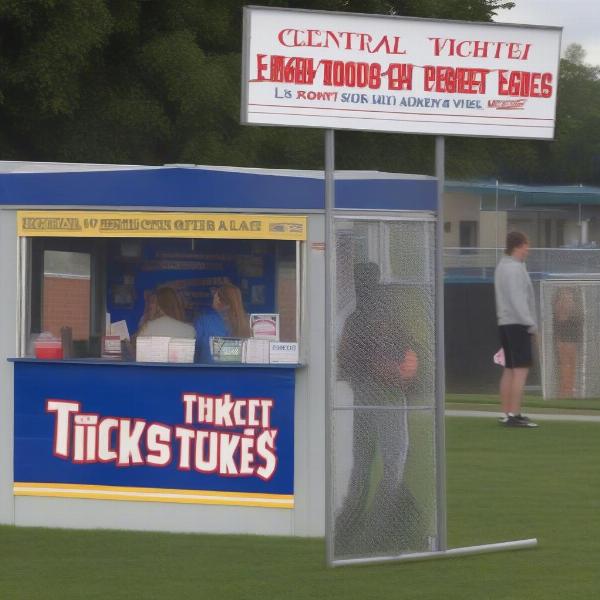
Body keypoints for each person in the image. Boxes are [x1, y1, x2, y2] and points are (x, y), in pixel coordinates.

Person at [335, 262, 422, 556]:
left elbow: (346, 361)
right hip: (384, 398)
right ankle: (375, 532)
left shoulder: (358, 318)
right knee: (391, 464)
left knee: (364, 466)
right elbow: (403, 359)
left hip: (367, 398)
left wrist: (390, 371)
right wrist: (395, 374)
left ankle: (359, 530)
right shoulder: (380, 316)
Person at [494, 231, 538, 428]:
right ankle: (513, 413)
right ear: (519, 246)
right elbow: (518, 300)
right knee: (520, 370)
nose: (528, 249)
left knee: (510, 369)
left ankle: (507, 413)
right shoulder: (512, 269)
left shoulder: (504, 266)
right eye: (526, 245)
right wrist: (531, 324)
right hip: (517, 323)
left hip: (506, 323)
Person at [194, 283, 251, 363]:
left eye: (214, 297)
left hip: (208, 371)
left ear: (217, 299)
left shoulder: (204, 321)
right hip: (237, 372)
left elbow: (194, 348)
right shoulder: (247, 322)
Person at [553, 286, 583, 397]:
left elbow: (578, 320)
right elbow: (561, 319)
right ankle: (565, 388)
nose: (567, 296)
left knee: (572, 364)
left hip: (573, 339)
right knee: (565, 364)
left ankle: (570, 388)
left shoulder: (575, 306)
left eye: (569, 294)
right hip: (563, 339)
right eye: (565, 293)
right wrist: (564, 306)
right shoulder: (559, 305)